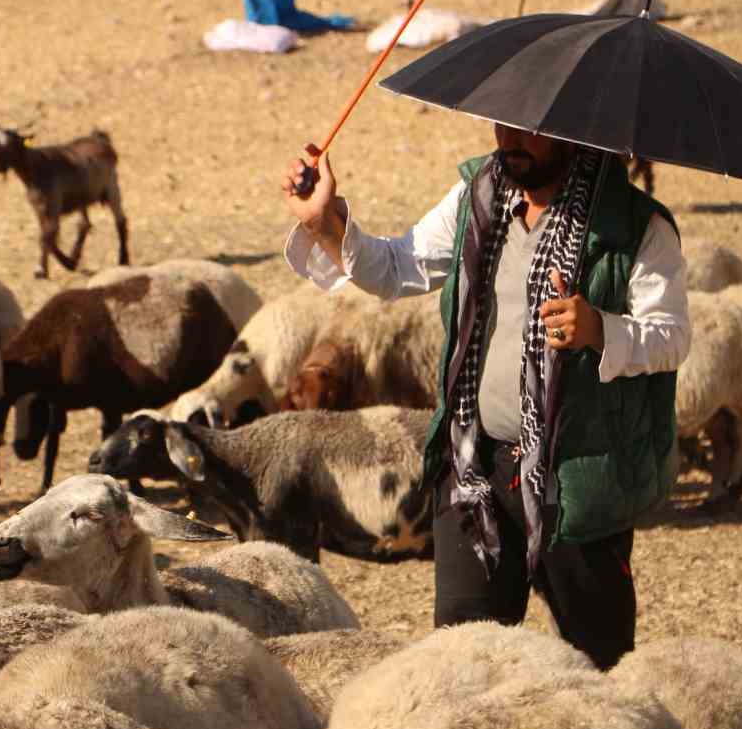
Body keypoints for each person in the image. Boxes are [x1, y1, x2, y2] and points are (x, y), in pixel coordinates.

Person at [279, 125, 688, 669]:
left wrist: (601, 329)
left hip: (579, 480)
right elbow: (398, 267)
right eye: (503, 122)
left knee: (599, 665)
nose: (511, 138)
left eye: (532, 128)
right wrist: (324, 222)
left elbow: (672, 336)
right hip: (474, 473)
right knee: (462, 662)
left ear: (572, 128)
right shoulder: (479, 196)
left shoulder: (636, 226)